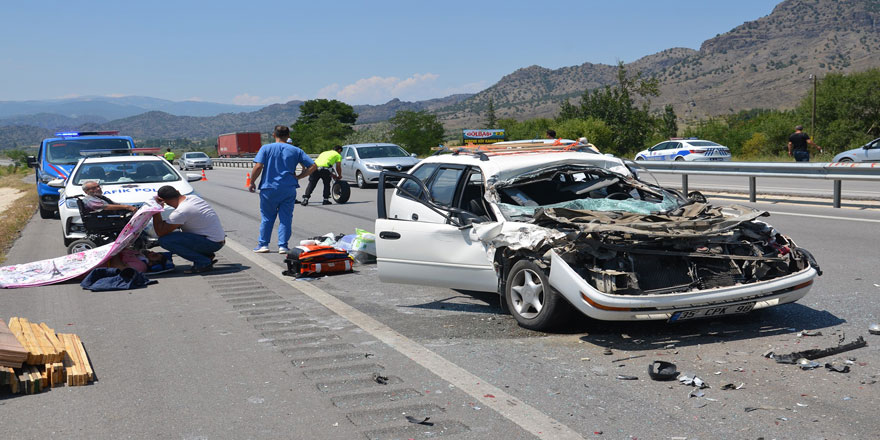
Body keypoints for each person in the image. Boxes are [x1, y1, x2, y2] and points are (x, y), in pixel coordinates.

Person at [248, 125, 316, 254]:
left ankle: (263, 245)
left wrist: (252, 182)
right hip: (288, 188)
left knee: (267, 217)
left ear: (274, 135)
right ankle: (283, 246)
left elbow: (258, 166)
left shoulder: (266, 148)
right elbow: (313, 166)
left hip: (269, 188)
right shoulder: (296, 150)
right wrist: (299, 177)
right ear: (288, 135)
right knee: (286, 218)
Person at [151, 185, 225, 273]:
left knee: (165, 240)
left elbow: (160, 232)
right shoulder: (193, 198)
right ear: (177, 192)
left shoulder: (181, 212)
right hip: (218, 240)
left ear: (165, 201)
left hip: (211, 243)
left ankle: (203, 262)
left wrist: (156, 211)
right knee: (175, 234)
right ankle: (205, 255)